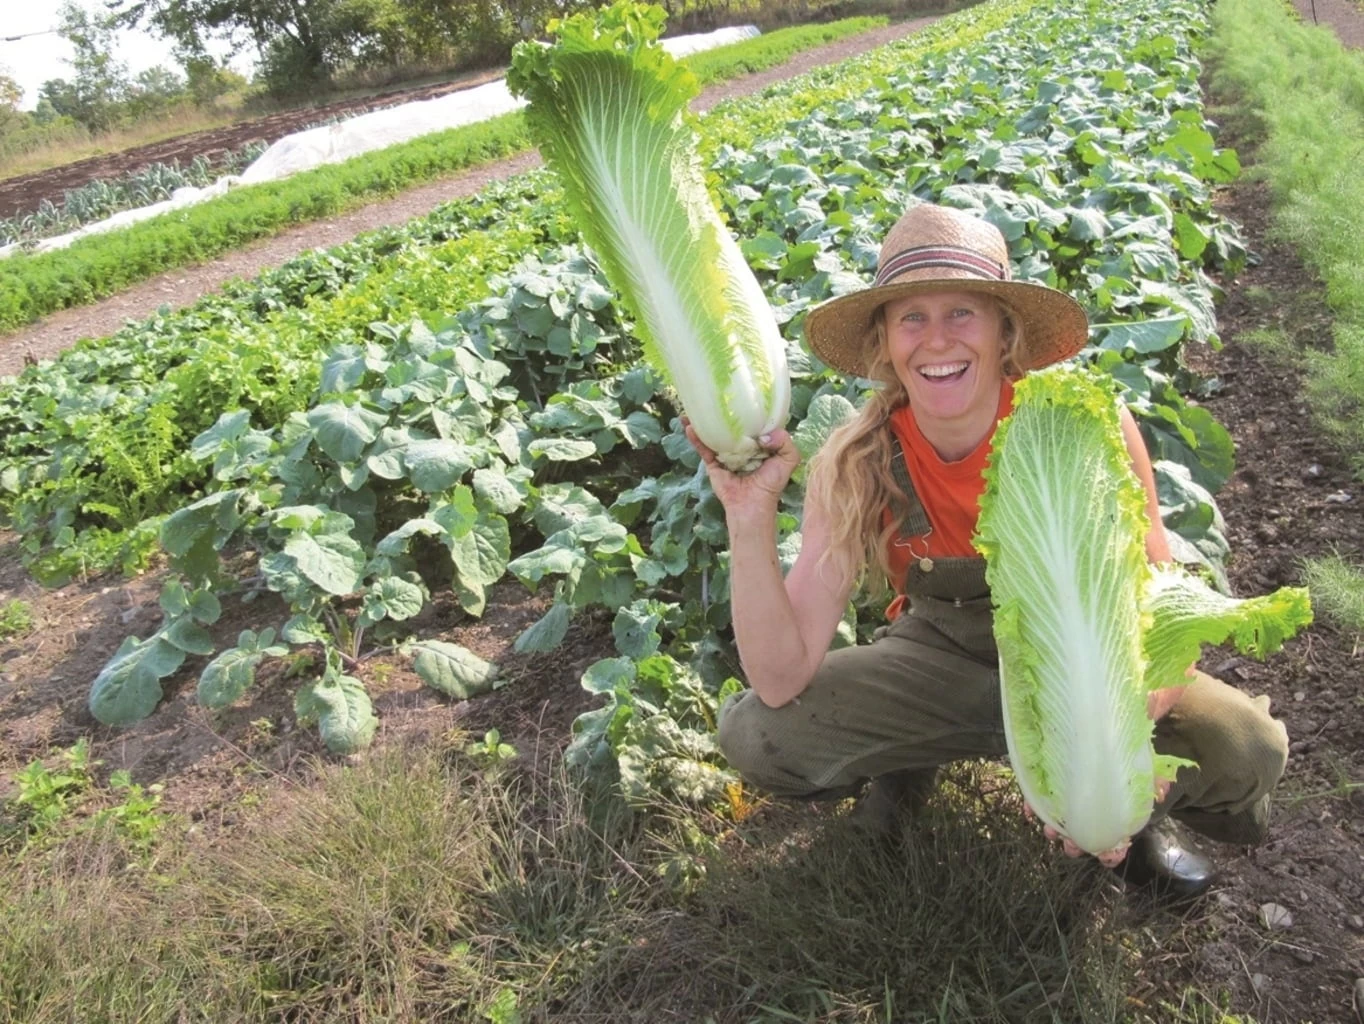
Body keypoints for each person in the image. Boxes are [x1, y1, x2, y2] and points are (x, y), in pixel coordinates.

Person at [686, 202, 1289, 900]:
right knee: (759, 733)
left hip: (1092, 667)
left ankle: (1141, 824)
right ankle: (906, 764)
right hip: (942, 662)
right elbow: (779, 677)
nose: (936, 340)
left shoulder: (1079, 423)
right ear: (885, 339)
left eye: (962, 312)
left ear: (1005, 331)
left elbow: (1161, 604)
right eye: (911, 316)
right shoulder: (859, 457)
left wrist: (1116, 749)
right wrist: (748, 517)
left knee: (1247, 748)